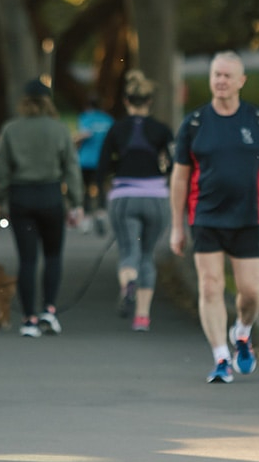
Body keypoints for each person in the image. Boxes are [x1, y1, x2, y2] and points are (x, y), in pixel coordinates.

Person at [169, 50, 259, 384]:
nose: (220, 81)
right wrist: (177, 226)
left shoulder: (258, 119)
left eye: (227, 76)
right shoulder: (194, 124)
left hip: (248, 217)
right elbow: (180, 177)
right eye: (215, 75)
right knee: (210, 287)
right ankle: (221, 357)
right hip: (205, 217)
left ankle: (242, 330)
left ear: (240, 81)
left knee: (251, 293)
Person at [0, 78, 84, 338]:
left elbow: (1, 169)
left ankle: (29, 319)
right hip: (51, 196)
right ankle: (48, 311)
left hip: (21, 198)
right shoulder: (59, 129)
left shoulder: (10, 129)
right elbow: (71, 168)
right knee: (53, 256)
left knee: (27, 259)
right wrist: (76, 203)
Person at [97, 70, 174, 332]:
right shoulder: (162, 130)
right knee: (147, 255)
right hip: (156, 198)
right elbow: (175, 163)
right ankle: (142, 316)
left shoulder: (116, 129)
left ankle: (128, 282)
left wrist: (97, 197)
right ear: (149, 101)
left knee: (129, 250)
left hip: (125, 196)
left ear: (126, 101)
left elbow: (102, 166)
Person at [74, 92, 114, 235]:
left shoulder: (85, 118)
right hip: (102, 160)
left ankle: (86, 219)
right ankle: (102, 214)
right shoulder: (108, 120)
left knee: (85, 190)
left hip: (85, 160)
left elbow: (82, 135)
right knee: (101, 188)